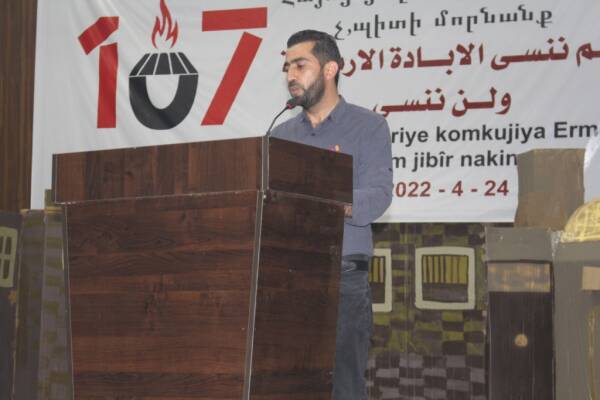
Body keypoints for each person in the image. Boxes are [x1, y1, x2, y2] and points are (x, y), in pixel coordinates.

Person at [271, 30, 393, 400]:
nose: (291, 75)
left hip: (343, 277)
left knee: (343, 387)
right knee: (287, 384)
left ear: (330, 69)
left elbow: (378, 195)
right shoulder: (280, 135)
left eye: (300, 65)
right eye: (287, 67)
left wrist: (325, 202)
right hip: (287, 278)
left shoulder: (369, 126)